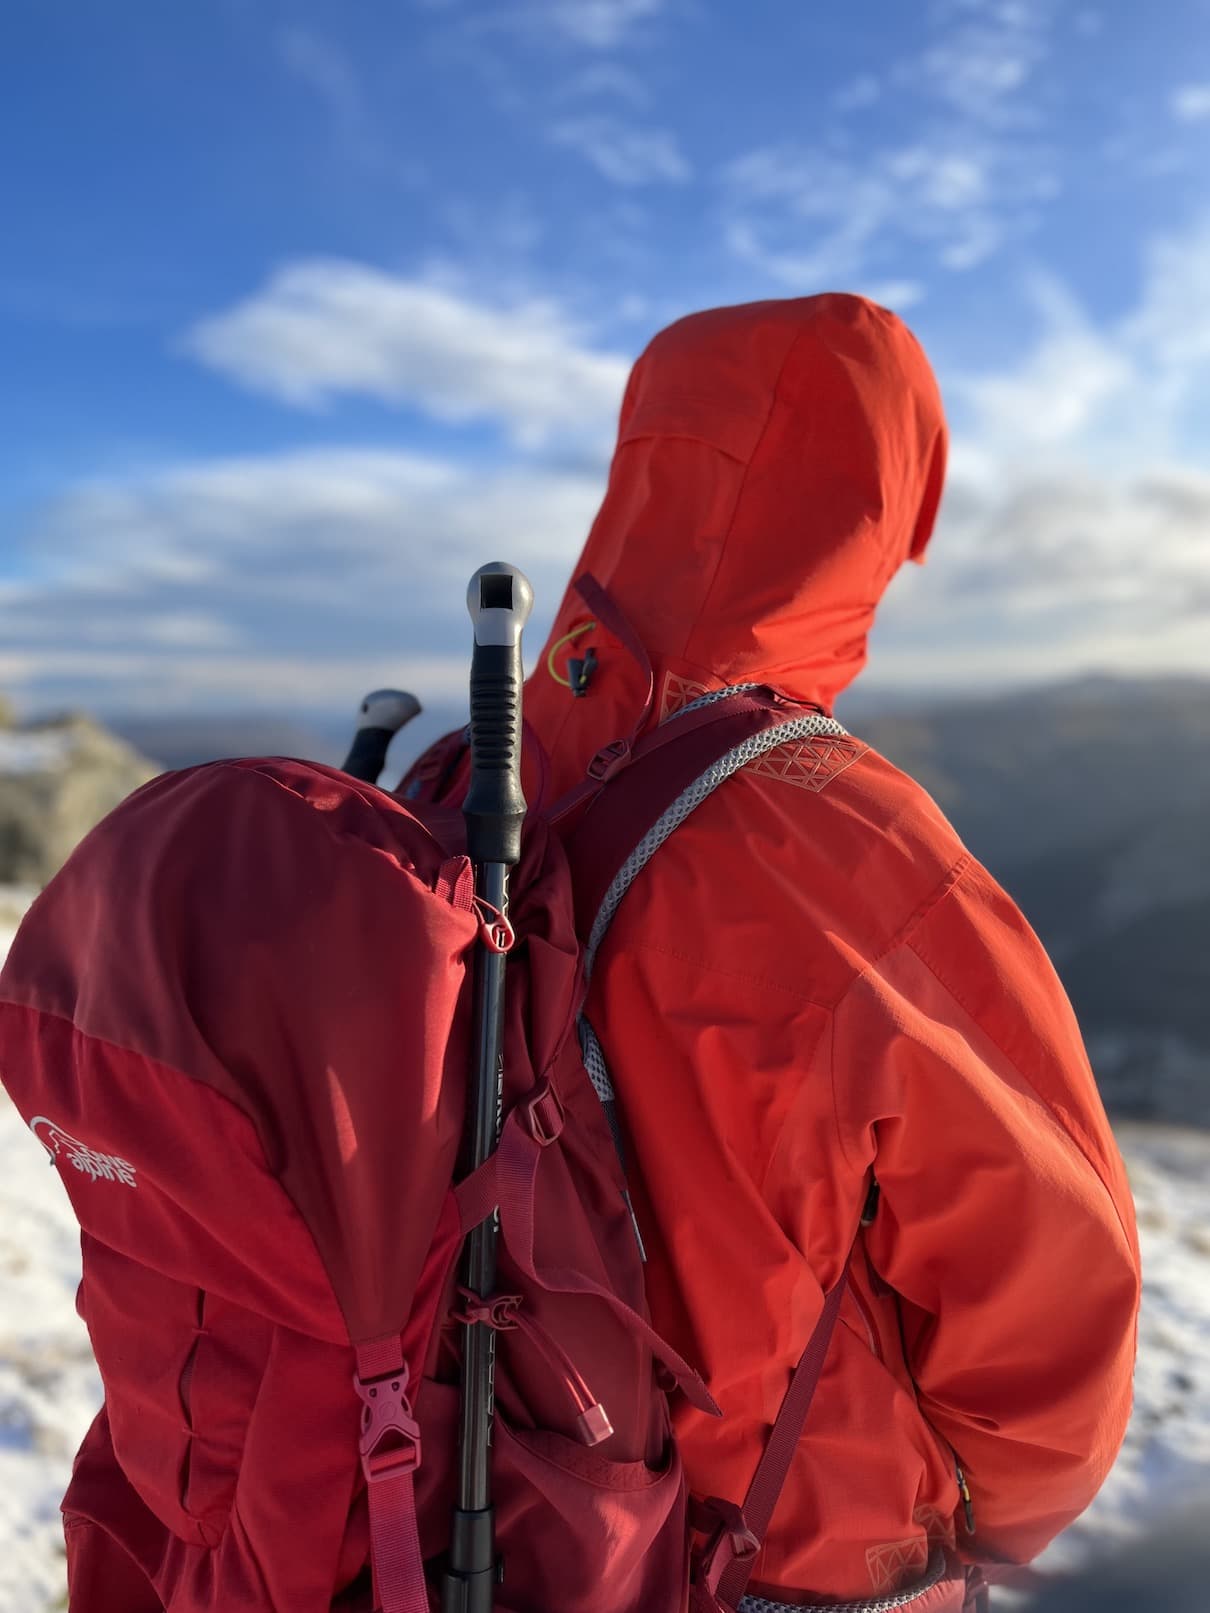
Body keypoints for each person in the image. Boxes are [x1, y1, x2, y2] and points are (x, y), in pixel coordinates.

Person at [514, 294, 1142, 1605]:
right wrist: (971, 1537)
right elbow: (1051, 1293)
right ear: (873, 513)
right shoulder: (844, 843)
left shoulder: (470, 776)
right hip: (783, 1562)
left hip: (497, 1518)